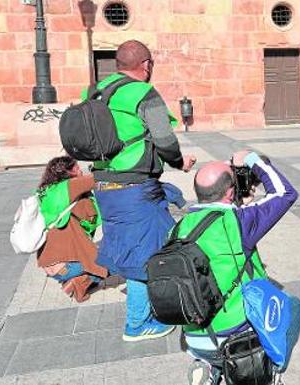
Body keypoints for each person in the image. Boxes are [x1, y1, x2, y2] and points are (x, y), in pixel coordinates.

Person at [88, 40, 196, 342]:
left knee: (148, 240)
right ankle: (137, 323)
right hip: (134, 188)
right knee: (143, 255)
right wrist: (179, 162)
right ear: (146, 64)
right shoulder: (143, 93)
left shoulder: (98, 90)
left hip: (105, 185)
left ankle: (167, 298)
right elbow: (165, 139)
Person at [176, 150, 297, 385]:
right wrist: (251, 158)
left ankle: (209, 367)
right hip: (235, 339)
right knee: (295, 310)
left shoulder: (179, 228)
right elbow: (285, 192)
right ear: (230, 192)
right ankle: (271, 369)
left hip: (194, 337)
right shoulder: (238, 223)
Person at [37, 156, 107, 302]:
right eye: (76, 168)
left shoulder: (48, 191)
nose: (80, 170)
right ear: (68, 172)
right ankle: (77, 283)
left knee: (95, 255)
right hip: (66, 266)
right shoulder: (70, 186)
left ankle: (73, 278)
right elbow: (97, 178)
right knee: (112, 260)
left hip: (50, 265)